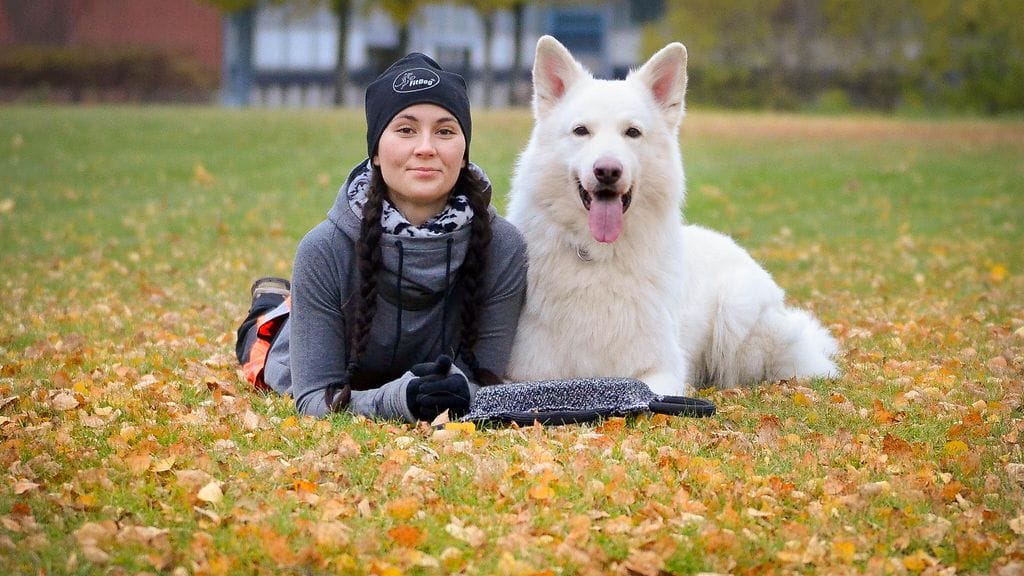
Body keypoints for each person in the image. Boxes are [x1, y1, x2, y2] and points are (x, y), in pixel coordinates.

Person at [234, 53, 527, 423]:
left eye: (445, 131)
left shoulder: (504, 247)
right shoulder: (323, 250)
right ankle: (271, 302)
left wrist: (454, 390)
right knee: (266, 339)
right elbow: (312, 398)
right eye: (405, 130)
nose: (426, 147)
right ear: (375, 151)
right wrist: (401, 399)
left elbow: (487, 381)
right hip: (293, 344)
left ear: (465, 153)